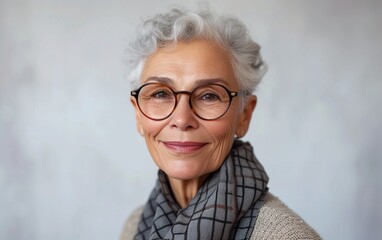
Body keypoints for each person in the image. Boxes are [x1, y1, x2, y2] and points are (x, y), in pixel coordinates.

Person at [121, 6, 320, 240]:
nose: (182, 120)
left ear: (244, 115)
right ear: (138, 115)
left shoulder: (285, 236)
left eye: (209, 95)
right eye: (160, 94)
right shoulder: (135, 226)